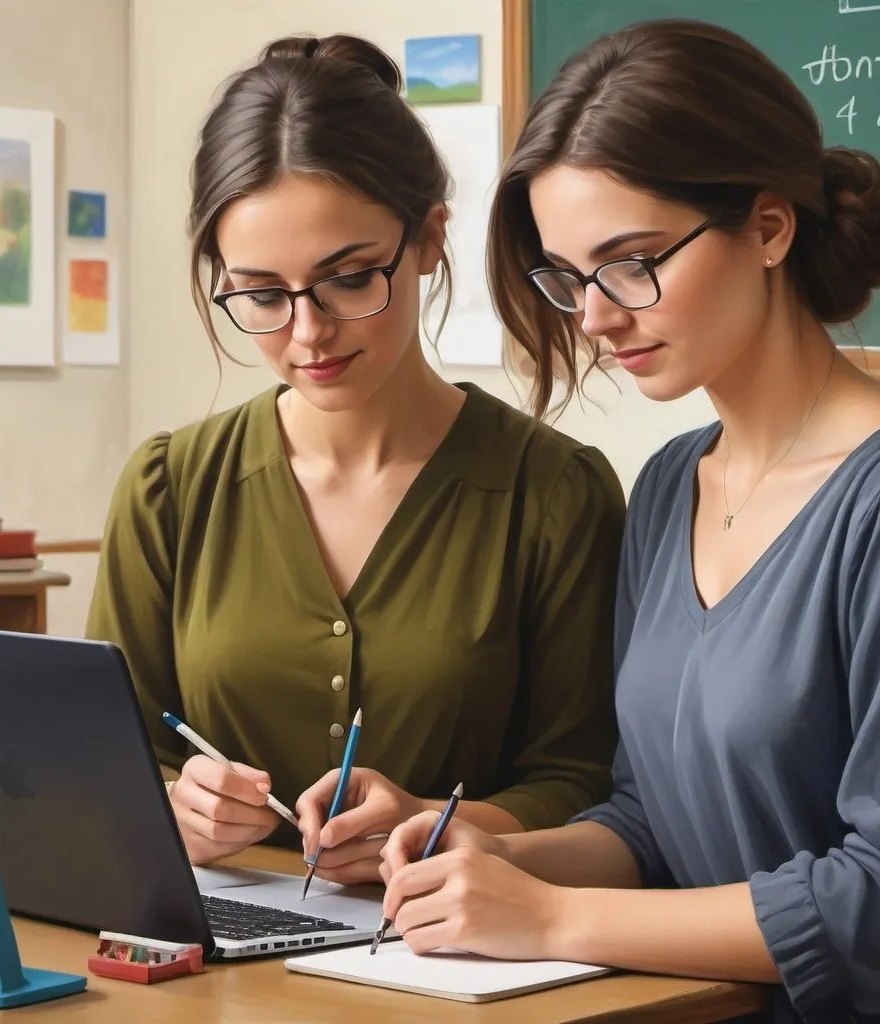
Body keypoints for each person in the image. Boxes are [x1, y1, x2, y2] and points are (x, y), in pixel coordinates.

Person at [379, 19, 880, 1023]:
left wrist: (555, 919)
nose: (598, 318)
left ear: (768, 227)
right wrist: (498, 855)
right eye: (569, 278)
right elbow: (656, 821)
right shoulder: (667, 485)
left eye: (633, 261)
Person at [85, 34, 625, 874]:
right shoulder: (169, 488)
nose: (307, 333)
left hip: (462, 963)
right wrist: (175, 805)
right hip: (216, 977)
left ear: (430, 240)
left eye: (349, 277)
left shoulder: (554, 493)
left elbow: (583, 779)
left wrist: (438, 822)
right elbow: (109, 757)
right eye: (261, 293)